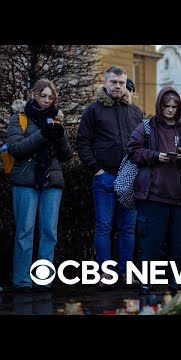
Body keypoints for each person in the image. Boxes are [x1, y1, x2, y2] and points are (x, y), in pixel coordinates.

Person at [127, 85, 181, 294]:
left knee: (180, 244)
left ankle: (176, 282)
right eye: (166, 106)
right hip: (152, 195)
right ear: (160, 106)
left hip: (179, 197)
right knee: (150, 242)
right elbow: (132, 150)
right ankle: (146, 282)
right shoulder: (147, 127)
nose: (170, 110)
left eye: (174, 106)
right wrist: (154, 156)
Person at [76, 66, 143, 286]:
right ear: (105, 83)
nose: (117, 86)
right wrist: (97, 169)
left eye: (121, 83)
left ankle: (126, 272)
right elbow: (82, 142)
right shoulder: (93, 110)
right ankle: (105, 274)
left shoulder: (135, 111)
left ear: (126, 85)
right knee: (103, 226)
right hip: (104, 177)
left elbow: (142, 143)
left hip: (129, 178)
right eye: (114, 82)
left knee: (128, 228)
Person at [7, 78, 72, 292]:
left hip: (51, 182)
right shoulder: (19, 118)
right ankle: (22, 281)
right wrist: (42, 134)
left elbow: (66, 156)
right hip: (25, 181)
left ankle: (43, 279)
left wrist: (60, 137)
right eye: (42, 95)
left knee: (49, 232)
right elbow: (16, 149)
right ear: (34, 94)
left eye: (50, 97)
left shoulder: (57, 120)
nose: (46, 100)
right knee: (24, 231)